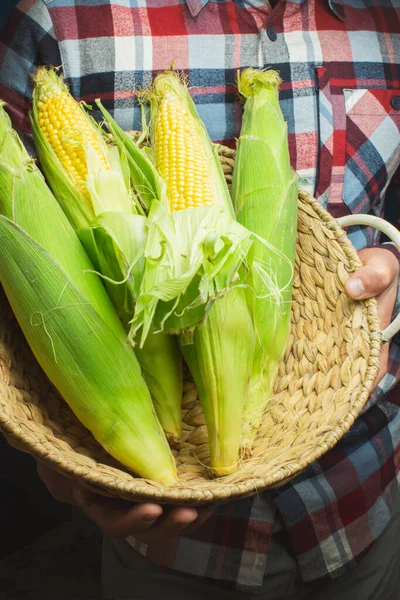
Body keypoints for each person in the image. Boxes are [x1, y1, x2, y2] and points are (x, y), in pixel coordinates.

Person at [0, 0, 399, 598]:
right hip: (170, 552)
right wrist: (55, 453)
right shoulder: (60, 20)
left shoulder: (387, 22)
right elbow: (25, 255)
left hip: (368, 498)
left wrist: (390, 270)